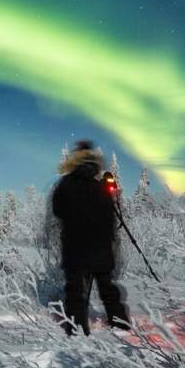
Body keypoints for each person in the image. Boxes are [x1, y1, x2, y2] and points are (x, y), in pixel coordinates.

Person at [50, 140, 129, 335]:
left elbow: (58, 210)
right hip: (101, 248)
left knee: (75, 292)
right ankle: (120, 326)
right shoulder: (101, 187)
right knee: (108, 289)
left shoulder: (66, 184)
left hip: (75, 248)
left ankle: (77, 330)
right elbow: (111, 217)